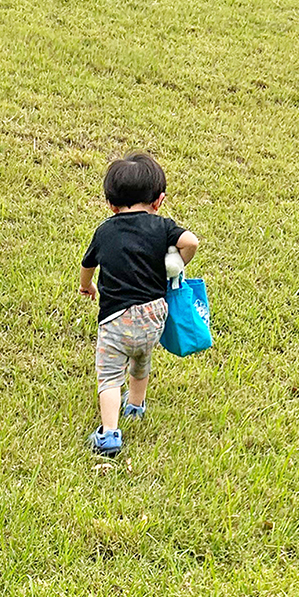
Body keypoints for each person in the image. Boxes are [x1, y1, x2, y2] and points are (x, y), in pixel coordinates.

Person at [79, 152, 199, 458]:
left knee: (108, 377)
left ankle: (109, 435)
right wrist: (177, 264)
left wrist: (86, 286)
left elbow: (88, 265)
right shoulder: (163, 227)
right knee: (141, 361)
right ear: (159, 200)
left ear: (111, 204)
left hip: (116, 319)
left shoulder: (105, 231)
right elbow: (192, 242)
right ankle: (135, 406)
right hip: (153, 316)